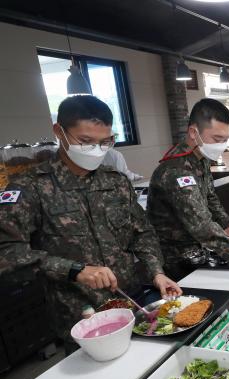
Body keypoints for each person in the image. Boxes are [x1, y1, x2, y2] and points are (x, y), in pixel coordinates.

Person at [0, 95, 181, 352]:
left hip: (131, 303)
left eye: (104, 142)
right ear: (59, 132)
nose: (96, 149)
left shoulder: (116, 182)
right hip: (79, 316)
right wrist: (74, 270)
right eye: (85, 141)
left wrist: (156, 272)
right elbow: (7, 254)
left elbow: (142, 232)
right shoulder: (30, 188)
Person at [146, 99, 229, 290]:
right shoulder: (176, 170)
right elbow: (201, 225)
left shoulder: (200, 158)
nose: (222, 145)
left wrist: (225, 223)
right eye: (217, 139)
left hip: (196, 251)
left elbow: (209, 196)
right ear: (194, 132)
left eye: (225, 139)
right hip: (175, 261)